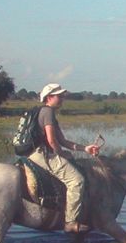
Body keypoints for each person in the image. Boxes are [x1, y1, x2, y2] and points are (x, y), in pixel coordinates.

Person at [29, 83, 101, 233]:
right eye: (59, 96)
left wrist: (85, 148)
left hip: (37, 153)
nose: (62, 99)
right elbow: (51, 141)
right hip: (45, 155)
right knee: (77, 181)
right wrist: (61, 154)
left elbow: (62, 141)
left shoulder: (45, 112)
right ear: (49, 97)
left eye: (62, 96)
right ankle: (70, 222)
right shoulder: (48, 112)